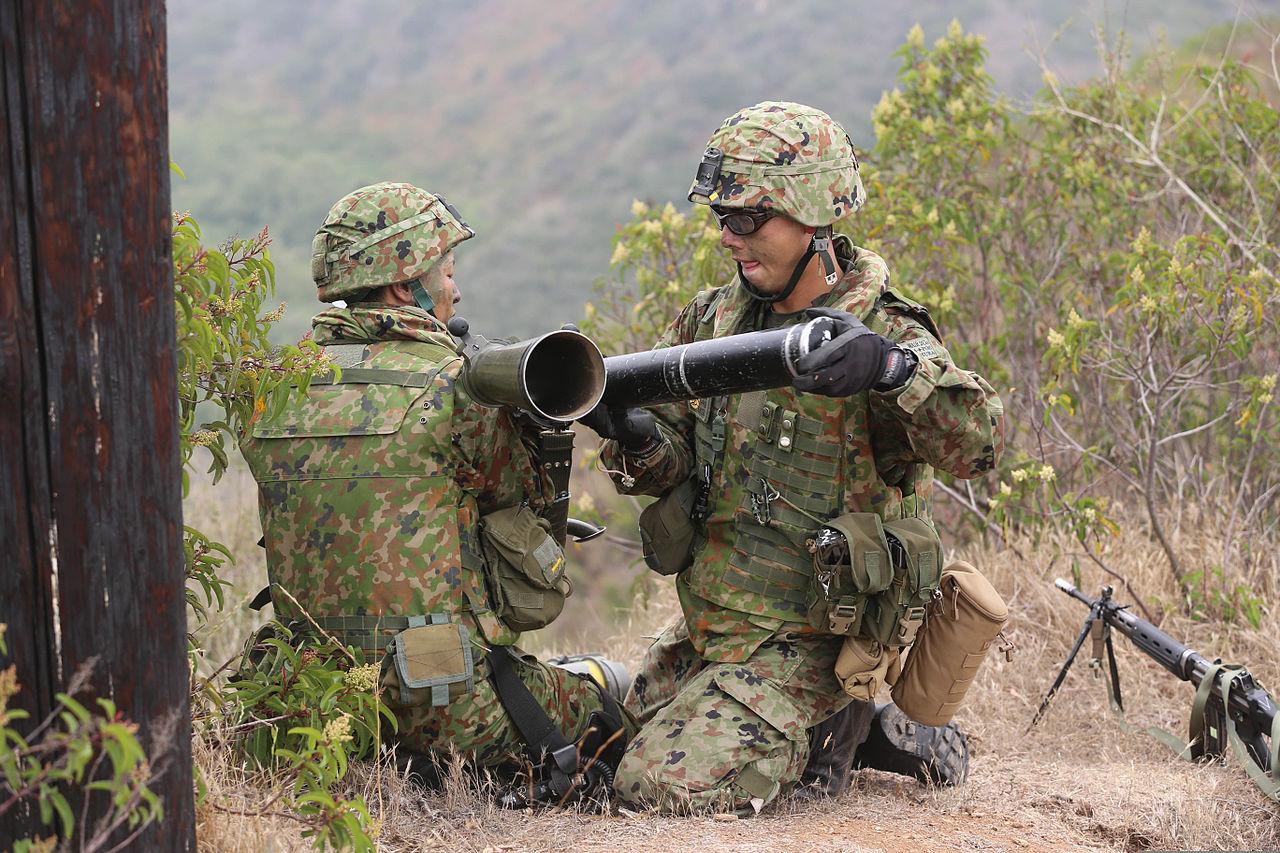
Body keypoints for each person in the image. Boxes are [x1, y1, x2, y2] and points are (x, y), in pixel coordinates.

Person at [582, 102, 1005, 813]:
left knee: (652, 786)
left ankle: (843, 722)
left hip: (812, 645)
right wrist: (634, 437)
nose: (727, 238)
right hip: (717, 626)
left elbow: (977, 444)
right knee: (592, 750)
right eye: (723, 216)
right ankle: (848, 728)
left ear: (812, 215)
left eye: (747, 220)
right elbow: (674, 467)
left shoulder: (883, 328)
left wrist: (892, 370)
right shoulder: (711, 321)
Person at [239, 181, 631, 800]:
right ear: (402, 288)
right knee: (613, 693)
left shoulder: (272, 390)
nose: (456, 289)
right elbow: (522, 521)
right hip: (443, 708)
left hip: (305, 704)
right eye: (446, 272)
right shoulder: (456, 390)